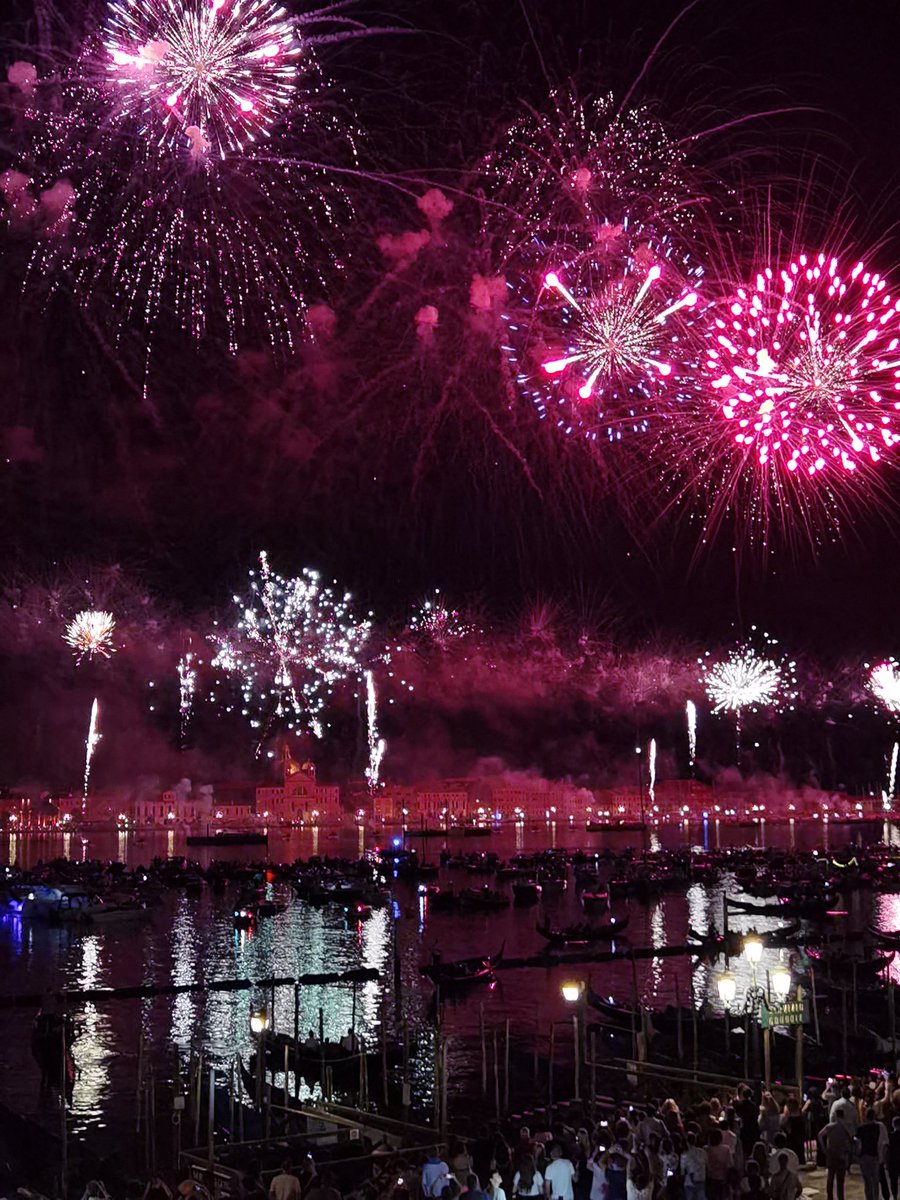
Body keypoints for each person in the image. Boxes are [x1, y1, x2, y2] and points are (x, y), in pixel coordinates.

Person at [819, 1109, 855, 1200]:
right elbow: (851, 1139)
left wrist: (824, 1148)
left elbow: (820, 1135)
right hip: (841, 1155)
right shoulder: (845, 1127)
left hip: (831, 1154)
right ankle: (840, 1198)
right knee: (840, 1181)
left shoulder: (830, 1126)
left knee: (830, 1178)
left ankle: (830, 1197)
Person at [858, 1108, 888, 1200]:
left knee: (867, 1181)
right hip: (875, 1156)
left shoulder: (861, 1128)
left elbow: (857, 1143)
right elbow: (885, 1143)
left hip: (864, 1156)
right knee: (875, 1181)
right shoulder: (879, 1126)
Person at [735, 1088, 761, 1159]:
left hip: (744, 1128)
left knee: (745, 1148)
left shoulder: (739, 1105)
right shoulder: (754, 1106)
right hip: (753, 1127)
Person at [681, 1132, 707, 1200]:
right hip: (701, 1179)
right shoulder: (703, 1152)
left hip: (689, 1182)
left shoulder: (684, 1154)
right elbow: (706, 1164)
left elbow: (683, 1172)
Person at [887, 1115, 900, 1200]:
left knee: (893, 1181)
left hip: (893, 1161)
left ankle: (895, 1197)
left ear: (893, 1125)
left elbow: (887, 1150)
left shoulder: (890, 1136)